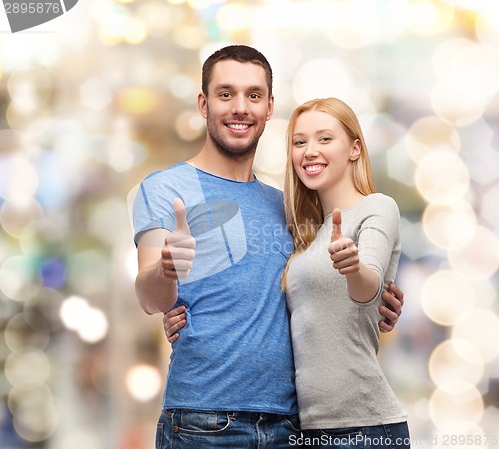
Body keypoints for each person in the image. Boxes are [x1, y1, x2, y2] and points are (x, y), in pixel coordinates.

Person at [134, 45, 404, 449]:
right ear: (203, 104)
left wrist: (382, 296)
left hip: (293, 426)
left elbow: (325, 287)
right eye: (226, 94)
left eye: (253, 95)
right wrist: (165, 270)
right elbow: (150, 296)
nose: (240, 107)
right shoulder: (164, 189)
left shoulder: (290, 207)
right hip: (203, 421)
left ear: (269, 107)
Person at [282, 97, 410, 448]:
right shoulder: (306, 234)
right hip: (307, 429)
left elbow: (368, 287)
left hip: (366, 428)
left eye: (325, 139)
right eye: (299, 142)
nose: (310, 151)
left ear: (354, 149)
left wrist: (352, 268)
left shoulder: (378, 208)